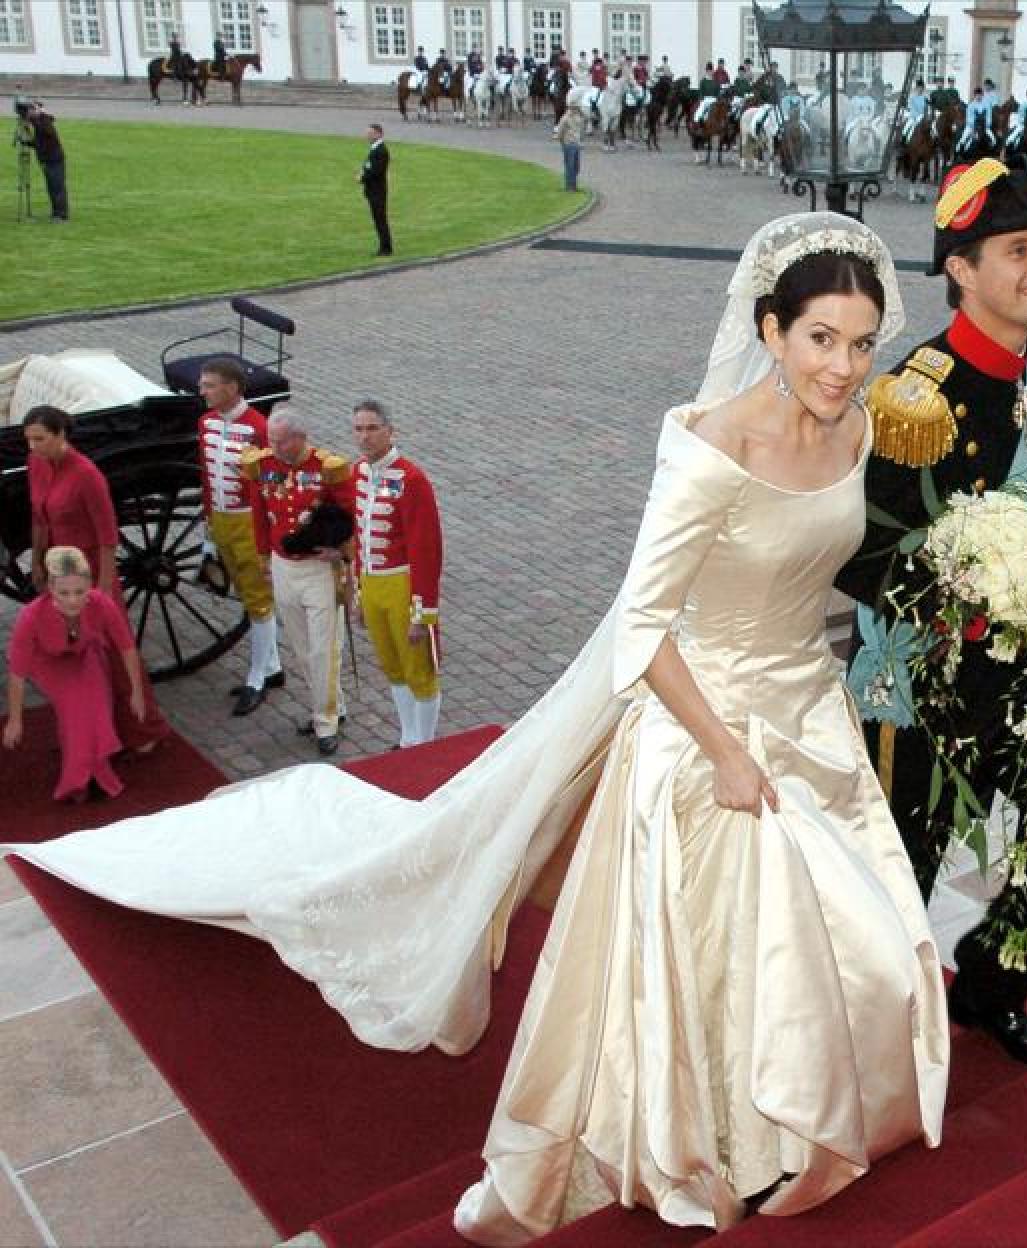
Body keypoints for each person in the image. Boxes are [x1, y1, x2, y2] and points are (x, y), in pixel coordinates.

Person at [9, 215, 948, 1240]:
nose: (844, 366)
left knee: (844, 938)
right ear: (771, 331)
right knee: (744, 947)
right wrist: (724, 752)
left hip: (811, 713)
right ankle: (723, 1141)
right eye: (821, 338)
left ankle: (803, 1126)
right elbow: (642, 625)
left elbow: (827, 564)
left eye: (862, 343)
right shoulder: (713, 447)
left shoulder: (858, 430)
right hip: (704, 729)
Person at [835, 156, 1027, 1066]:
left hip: (1021, 658)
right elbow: (855, 550)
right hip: (917, 679)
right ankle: (861, 1051)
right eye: (1019, 248)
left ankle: (989, 987)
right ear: (962, 269)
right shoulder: (914, 396)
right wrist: (966, 591)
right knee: (900, 876)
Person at [23, 405, 168, 753]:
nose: (33, 447)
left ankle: (141, 727)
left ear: (61, 435)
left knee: (113, 652)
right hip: (61, 570)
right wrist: (39, 562)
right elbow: (40, 519)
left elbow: (107, 536)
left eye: (40, 439)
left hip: (90, 573)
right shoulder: (37, 465)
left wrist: (102, 589)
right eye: (28, 440)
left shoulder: (87, 475)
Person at [242, 410, 353, 756]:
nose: (272, 447)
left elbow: (352, 515)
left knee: (324, 649)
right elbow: (259, 514)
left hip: (319, 570)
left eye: (279, 441)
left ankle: (325, 721)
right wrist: (263, 559)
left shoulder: (328, 468)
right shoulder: (262, 466)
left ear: (300, 438)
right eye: (270, 441)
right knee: (303, 648)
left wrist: (344, 553)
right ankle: (335, 705)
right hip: (283, 566)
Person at [4, 547, 145, 802]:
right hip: (47, 662)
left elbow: (126, 647)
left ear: (90, 586)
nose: (72, 600)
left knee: (98, 706)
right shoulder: (31, 616)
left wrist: (137, 692)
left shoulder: (101, 603)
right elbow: (17, 674)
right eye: (64, 593)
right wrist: (15, 720)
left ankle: (99, 772)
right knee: (74, 710)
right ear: (50, 588)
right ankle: (76, 781)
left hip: (85, 652)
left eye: (79, 592)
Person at [348, 401, 443, 747]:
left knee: (419, 669)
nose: (364, 437)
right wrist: (359, 592)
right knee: (392, 665)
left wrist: (422, 613)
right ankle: (408, 737)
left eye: (372, 428)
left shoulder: (411, 479)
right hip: (373, 584)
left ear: (390, 431)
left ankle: (426, 742)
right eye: (359, 429)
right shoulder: (358, 473)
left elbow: (426, 550)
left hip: (403, 585)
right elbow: (361, 536)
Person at [196, 358, 283, 713]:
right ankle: (273, 666)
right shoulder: (205, 424)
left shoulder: (259, 428)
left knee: (259, 600)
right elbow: (206, 478)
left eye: (210, 385)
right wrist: (209, 534)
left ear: (232, 388)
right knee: (249, 597)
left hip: (250, 524)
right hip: (222, 519)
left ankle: (257, 677)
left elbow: (272, 488)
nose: (202, 391)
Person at [26, 101, 68, 222]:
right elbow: (40, 142)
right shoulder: (39, 123)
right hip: (47, 160)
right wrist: (27, 142)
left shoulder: (45, 122)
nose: (29, 112)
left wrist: (41, 114)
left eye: (31, 110)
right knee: (51, 187)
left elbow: (48, 132)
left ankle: (62, 215)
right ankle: (56, 213)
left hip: (55, 160)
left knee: (57, 187)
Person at [358, 122, 392, 257]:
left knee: (380, 219)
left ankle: (386, 248)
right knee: (378, 219)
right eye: (368, 133)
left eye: (370, 133)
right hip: (374, 189)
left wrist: (362, 177)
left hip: (377, 190)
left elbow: (376, 171)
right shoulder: (375, 149)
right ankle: (384, 246)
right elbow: (370, 166)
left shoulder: (381, 150)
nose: (368, 136)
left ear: (378, 134)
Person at [554, 99, 583, 190]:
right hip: (568, 143)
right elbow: (560, 130)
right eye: (574, 108)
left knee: (576, 166)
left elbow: (580, 128)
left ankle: (573, 184)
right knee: (570, 165)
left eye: (577, 108)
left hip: (576, 143)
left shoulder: (578, 117)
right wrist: (559, 138)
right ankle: (570, 186)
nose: (576, 109)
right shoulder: (565, 118)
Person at [903, 77, 928, 141]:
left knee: (916, 126)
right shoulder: (912, 97)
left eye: (921, 88)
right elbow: (911, 107)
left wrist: (924, 115)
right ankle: (904, 140)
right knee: (907, 126)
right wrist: (914, 115)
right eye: (919, 88)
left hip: (921, 115)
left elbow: (926, 108)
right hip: (913, 115)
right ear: (916, 88)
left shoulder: (924, 97)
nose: (920, 89)